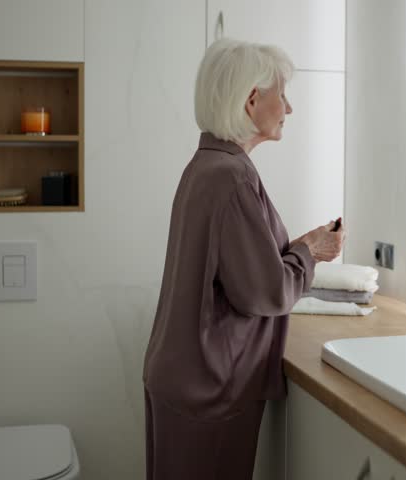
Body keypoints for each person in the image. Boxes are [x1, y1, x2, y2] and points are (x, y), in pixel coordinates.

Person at [142, 38, 345, 480]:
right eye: (282, 96)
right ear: (253, 99)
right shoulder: (232, 176)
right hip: (208, 385)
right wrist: (311, 253)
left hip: (181, 374)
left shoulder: (206, 166)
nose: (288, 109)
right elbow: (265, 293)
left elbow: (237, 266)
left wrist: (302, 248)